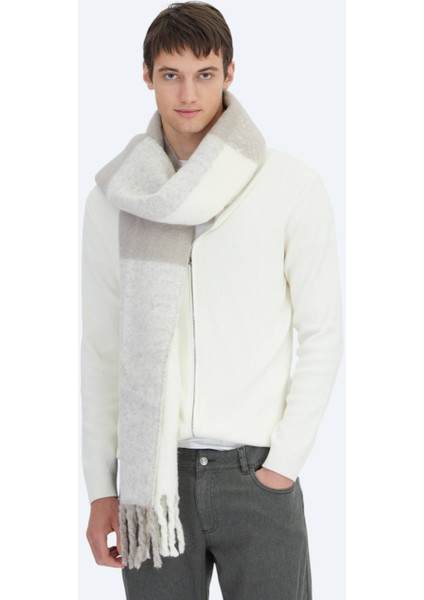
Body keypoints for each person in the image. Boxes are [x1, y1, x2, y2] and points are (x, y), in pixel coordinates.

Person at [81, 2, 343, 598]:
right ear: (146, 76)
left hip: (256, 474)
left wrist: (283, 464)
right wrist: (102, 489)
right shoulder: (113, 200)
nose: (188, 93)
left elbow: (321, 332)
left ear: (229, 73)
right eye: (170, 74)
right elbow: (101, 349)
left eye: (204, 74)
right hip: (152, 486)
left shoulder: (289, 185)